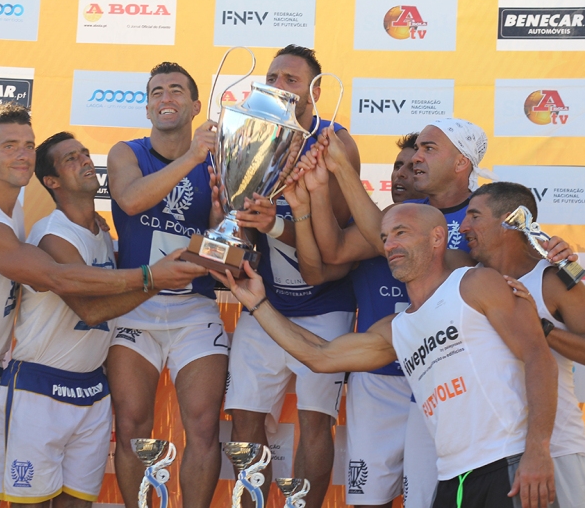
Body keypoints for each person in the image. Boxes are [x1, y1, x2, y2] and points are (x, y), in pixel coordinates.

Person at [0, 104, 206, 508]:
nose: (22, 154)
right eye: (9, 146)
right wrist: (150, 277)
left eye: (28, 145)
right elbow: (57, 278)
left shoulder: (14, 212)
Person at [214, 203, 559, 508]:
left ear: (437, 238)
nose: (389, 245)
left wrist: (538, 449)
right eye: (384, 238)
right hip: (451, 478)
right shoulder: (398, 328)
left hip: (508, 463)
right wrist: (257, 303)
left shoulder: (474, 284)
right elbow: (320, 356)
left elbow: (539, 358)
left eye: (401, 233)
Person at [0, 132, 198, 507]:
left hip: (91, 391)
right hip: (39, 387)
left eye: (85, 153)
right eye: (71, 159)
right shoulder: (53, 236)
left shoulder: (100, 232)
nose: (86, 161)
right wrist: (156, 280)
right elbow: (91, 311)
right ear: (51, 181)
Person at [223, 44, 361, 508]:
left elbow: (333, 241)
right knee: (244, 418)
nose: (279, 87)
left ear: (315, 92)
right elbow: (245, 231)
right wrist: (234, 225)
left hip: (326, 305)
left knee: (314, 422)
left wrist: (276, 223)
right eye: (272, 78)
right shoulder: (252, 132)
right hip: (267, 304)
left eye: (291, 80)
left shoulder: (334, 142)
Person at [106, 62, 227, 508]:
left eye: (176, 90)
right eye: (156, 92)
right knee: (132, 424)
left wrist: (219, 221)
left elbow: (224, 252)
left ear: (195, 106)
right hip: (135, 305)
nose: (165, 98)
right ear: (147, 108)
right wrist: (192, 157)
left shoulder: (220, 162)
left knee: (205, 425)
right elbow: (130, 200)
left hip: (194, 308)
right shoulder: (127, 152)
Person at [458, 181, 585, 507]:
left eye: (475, 216)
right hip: (490, 457)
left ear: (510, 220)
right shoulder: (463, 279)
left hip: (559, 449)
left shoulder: (552, 279)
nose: (463, 227)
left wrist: (541, 327)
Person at [283, 133, 425, 508]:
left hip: (432, 382)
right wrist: (313, 194)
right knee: (368, 500)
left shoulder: (452, 230)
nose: (402, 174)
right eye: (397, 166)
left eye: (413, 167)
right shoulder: (369, 228)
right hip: (375, 381)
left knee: (428, 498)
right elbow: (324, 262)